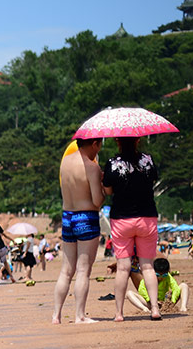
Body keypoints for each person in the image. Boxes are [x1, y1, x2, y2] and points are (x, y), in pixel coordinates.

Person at [103, 137, 161, 322]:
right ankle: (154, 309)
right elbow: (151, 181)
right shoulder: (148, 160)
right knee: (147, 266)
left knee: (123, 268)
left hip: (121, 219)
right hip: (147, 217)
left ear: (118, 143)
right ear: (137, 142)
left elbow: (108, 191)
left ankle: (119, 313)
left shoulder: (112, 163)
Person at [52, 137, 104, 324]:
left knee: (66, 270)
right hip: (86, 217)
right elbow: (97, 201)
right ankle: (80, 315)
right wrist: (104, 188)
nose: (98, 150)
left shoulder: (65, 161)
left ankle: (56, 315)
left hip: (67, 217)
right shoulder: (92, 167)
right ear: (94, 144)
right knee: (83, 270)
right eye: (99, 145)